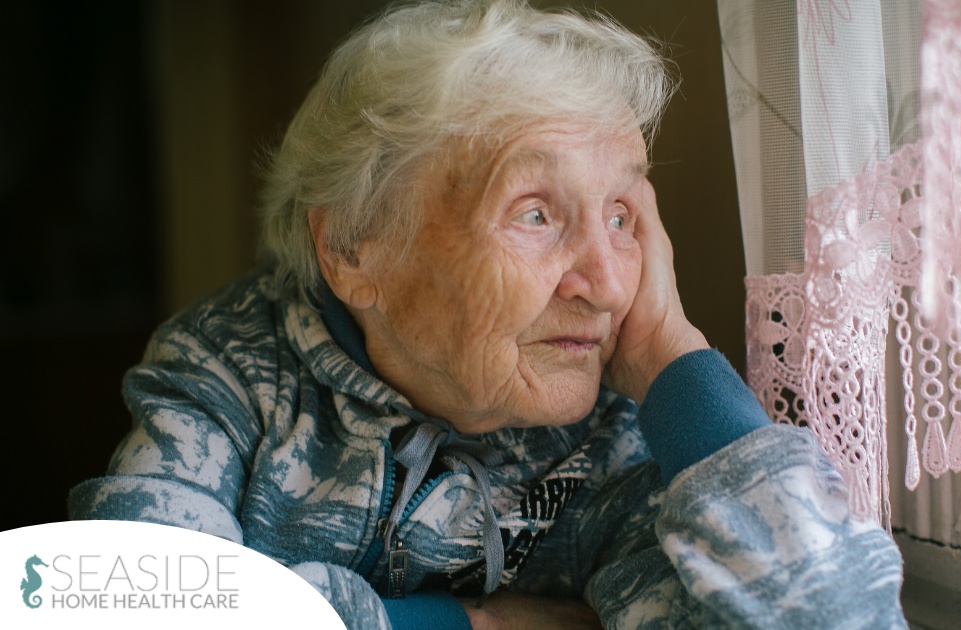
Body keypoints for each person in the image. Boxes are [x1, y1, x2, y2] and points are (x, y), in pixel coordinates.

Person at [69, 1, 907, 628]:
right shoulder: (231, 373)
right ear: (355, 247)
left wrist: (674, 358)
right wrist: (468, 623)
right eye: (536, 212)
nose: (609, 286)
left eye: (621, 214)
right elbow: (121, 604)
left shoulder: (617, 434)